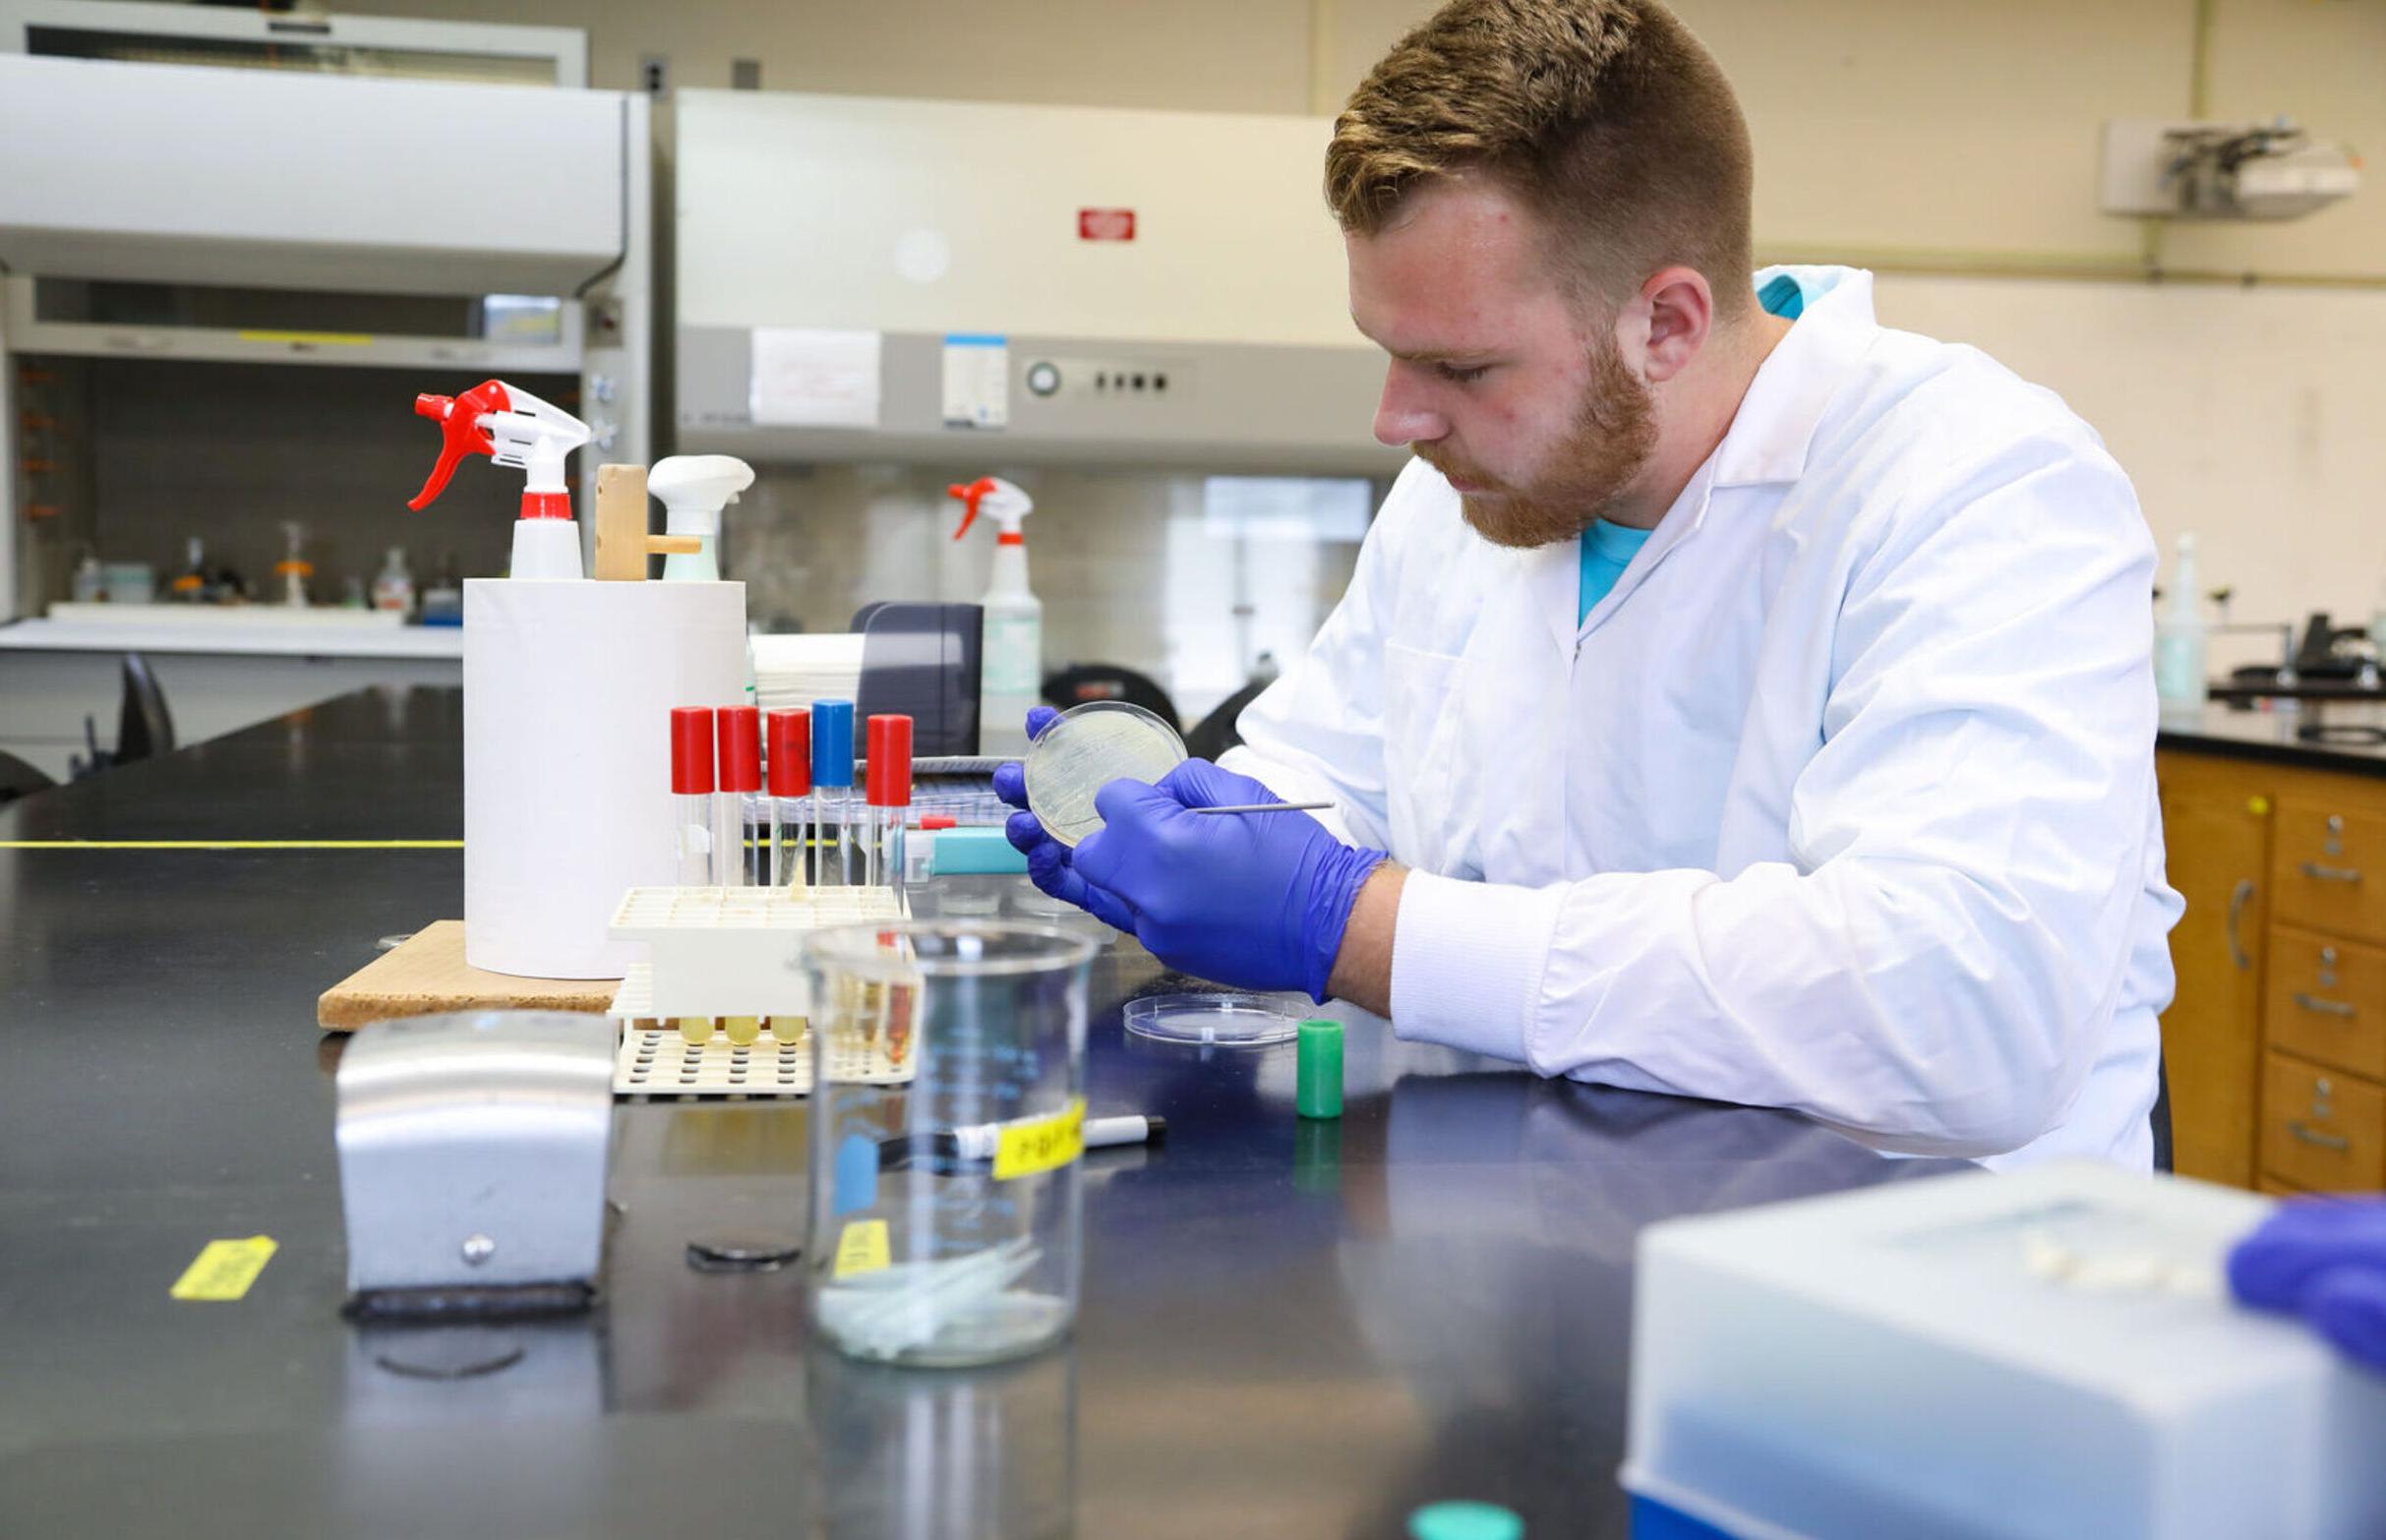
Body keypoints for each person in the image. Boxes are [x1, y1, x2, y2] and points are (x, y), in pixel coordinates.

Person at [995, 0, 2181, 1168]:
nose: (1395, 417)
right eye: (1389, 351)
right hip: (1535, 1240)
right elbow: (1334, 779)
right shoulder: (1469, 489)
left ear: (1664, 323)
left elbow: (1963, 1010)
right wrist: (1182, 830)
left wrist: (1356, 928)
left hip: (1906, 1303)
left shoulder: (1978, 484)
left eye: (1459, 365)